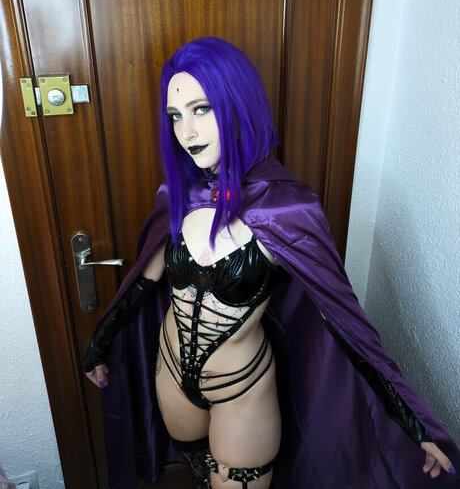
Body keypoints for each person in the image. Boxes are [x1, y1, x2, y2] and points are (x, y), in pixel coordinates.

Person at [84, 37, 459, 489]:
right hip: (172, 373)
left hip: (241, 391)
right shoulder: (179, 195)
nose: (187, 132)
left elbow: (346, 323)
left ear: (238, 105)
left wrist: (416, 424)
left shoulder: (287, 210)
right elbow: (142, 283)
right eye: (176, 116)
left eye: (202, 109)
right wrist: (99, 344)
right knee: (198, 473)